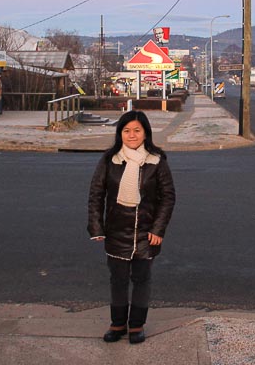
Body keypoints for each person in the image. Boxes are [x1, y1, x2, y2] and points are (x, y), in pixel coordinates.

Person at [87, 110, 176, 344]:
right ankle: (117, 324)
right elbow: (96, 194)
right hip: (117, 232)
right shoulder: (110, 160)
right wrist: (96, 227)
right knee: (117, 280)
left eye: (137, 130)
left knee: (141, 279)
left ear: (146, 133)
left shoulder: (157, 161)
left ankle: (136, 325)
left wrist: (158, 230)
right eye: (126, 131)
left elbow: (167, 197)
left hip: (146, 234)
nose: (132, 135)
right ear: (120, 134)